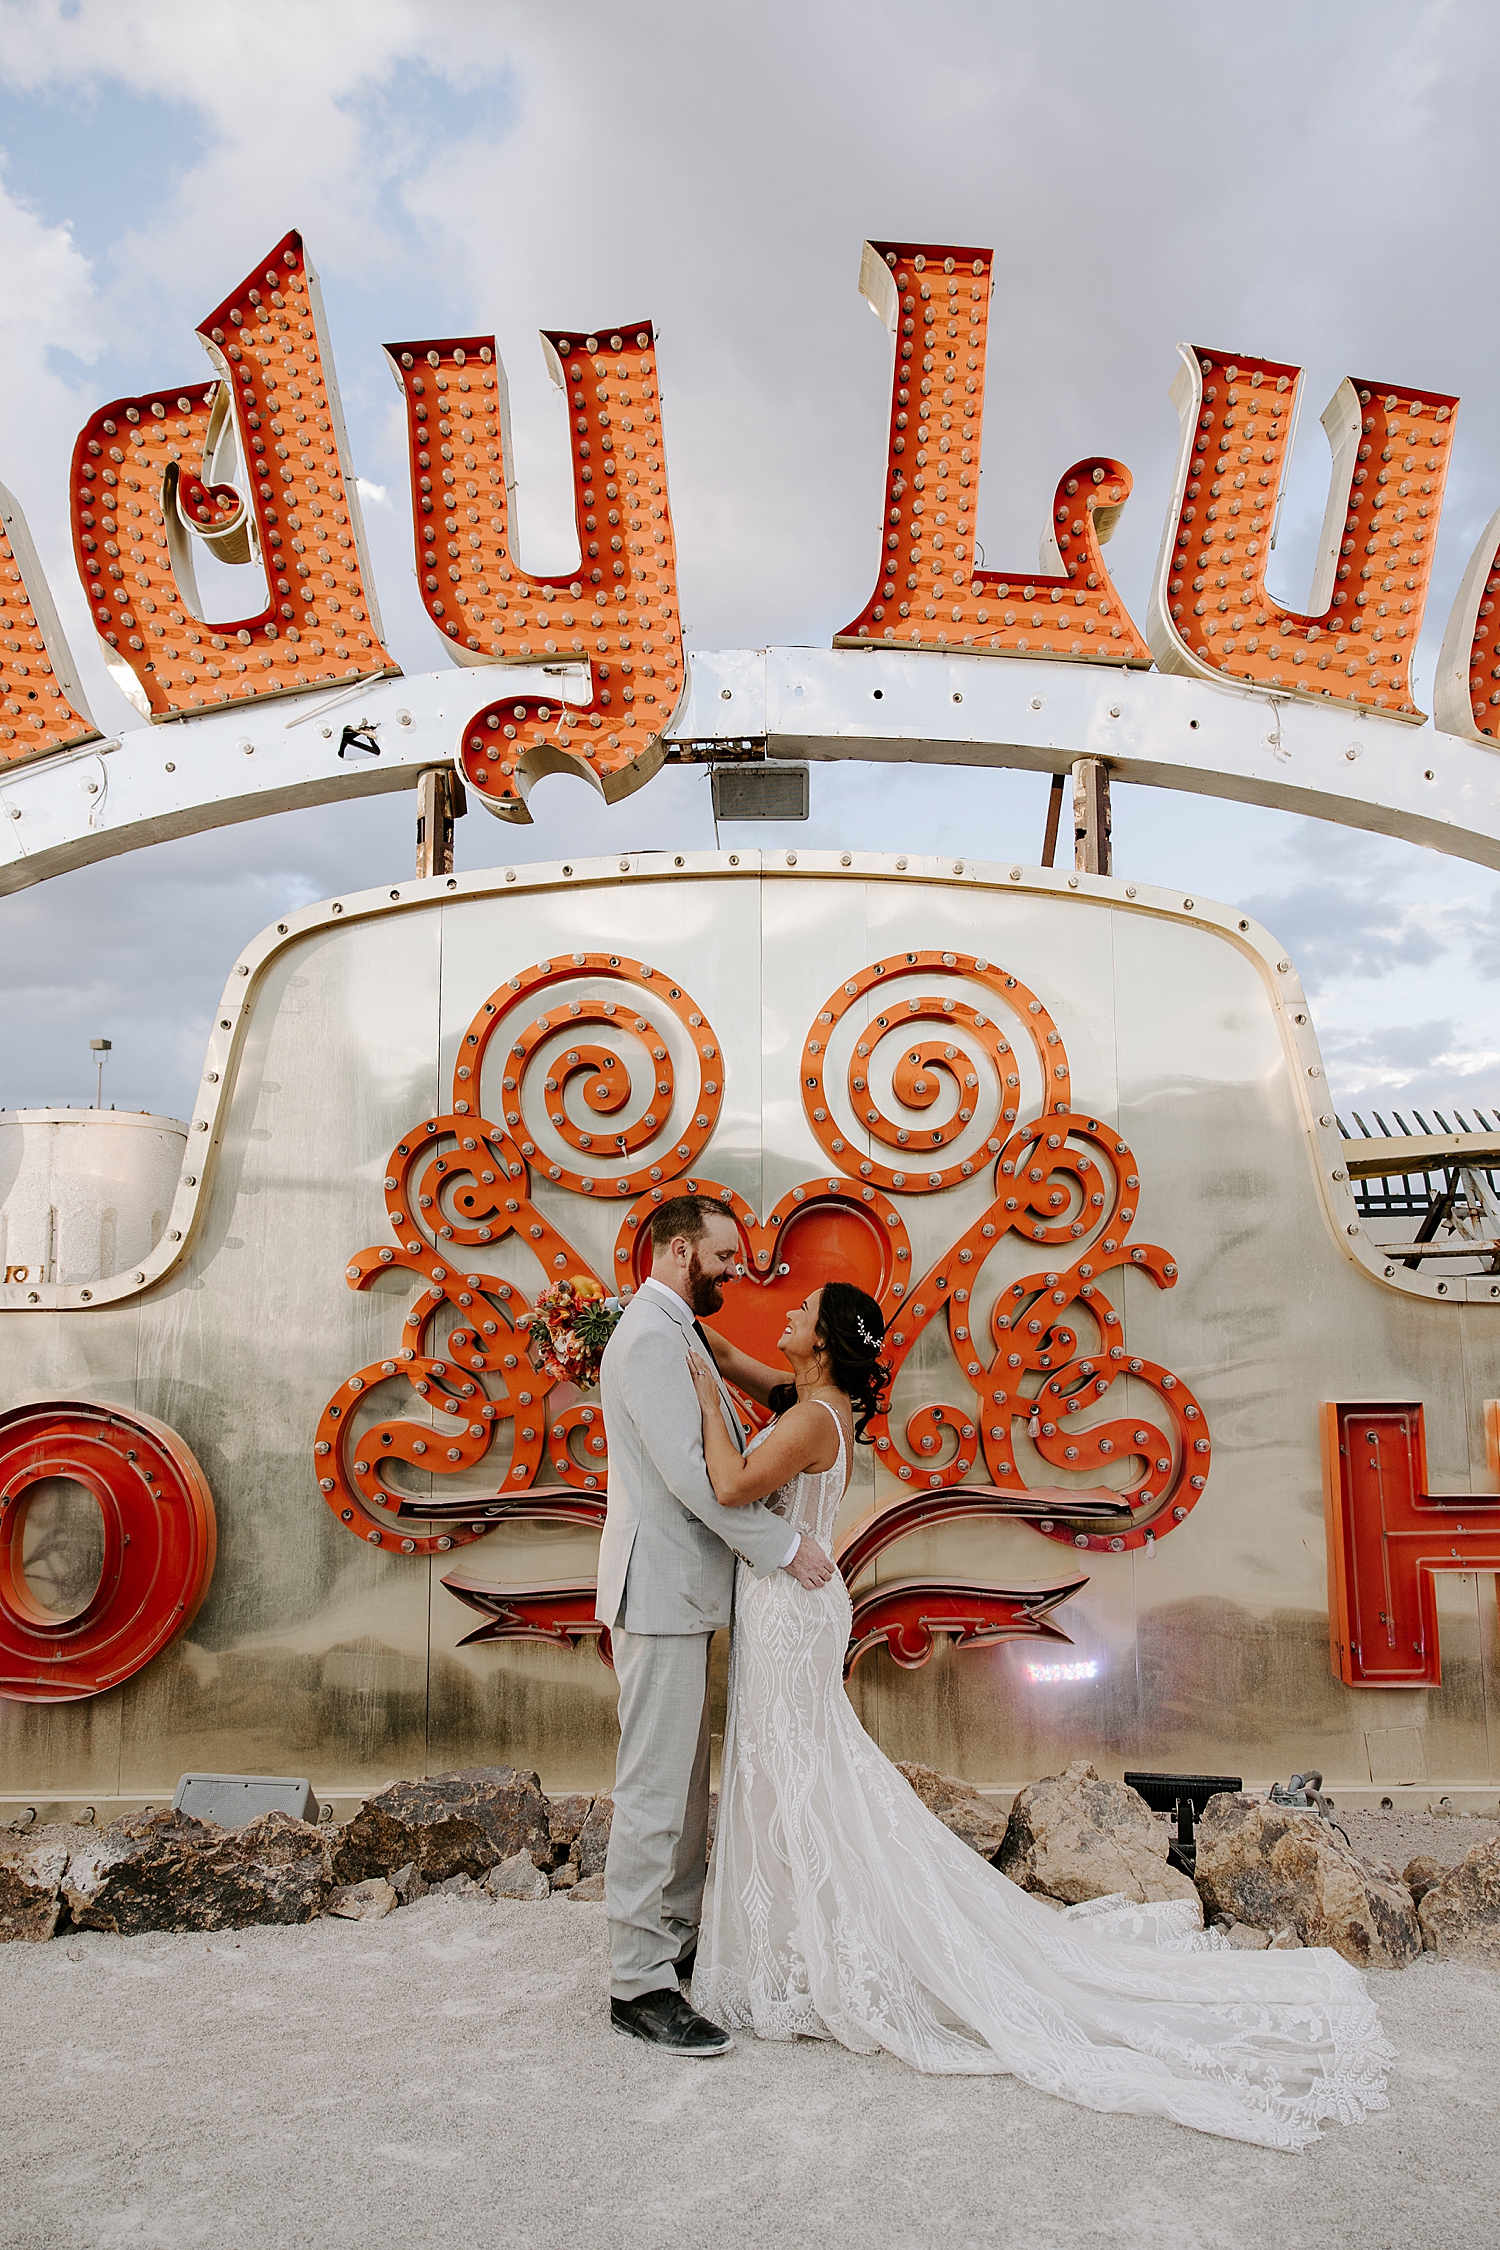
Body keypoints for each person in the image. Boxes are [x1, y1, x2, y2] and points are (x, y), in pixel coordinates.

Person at [683, 1279, 1394, 2151]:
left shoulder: (803, 1420)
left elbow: (725, 1485)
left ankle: (811, 1949)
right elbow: (756, 1376)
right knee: (805, 1771)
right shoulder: (816, 1405)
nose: (785, 1319)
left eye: (802, 1316)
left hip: (791, 1614)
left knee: (797, 1773)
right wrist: (699, 1344)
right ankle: (802, 1936)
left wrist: (694, 1394)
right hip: (799, 1608)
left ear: (824, 1344)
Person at [597, 1194, 836, 2058]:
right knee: (656, 1791)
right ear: (678, 1248)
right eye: (725, 1256)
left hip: (685, 1592)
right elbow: (697, 1479)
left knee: (682, 1790)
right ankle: (637, 1984)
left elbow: (743, 1393)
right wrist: (783, 1546)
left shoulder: (679, 1327)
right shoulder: (655, 1336)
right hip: (659, 1593)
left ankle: (672, 1943)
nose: (737, 1271)